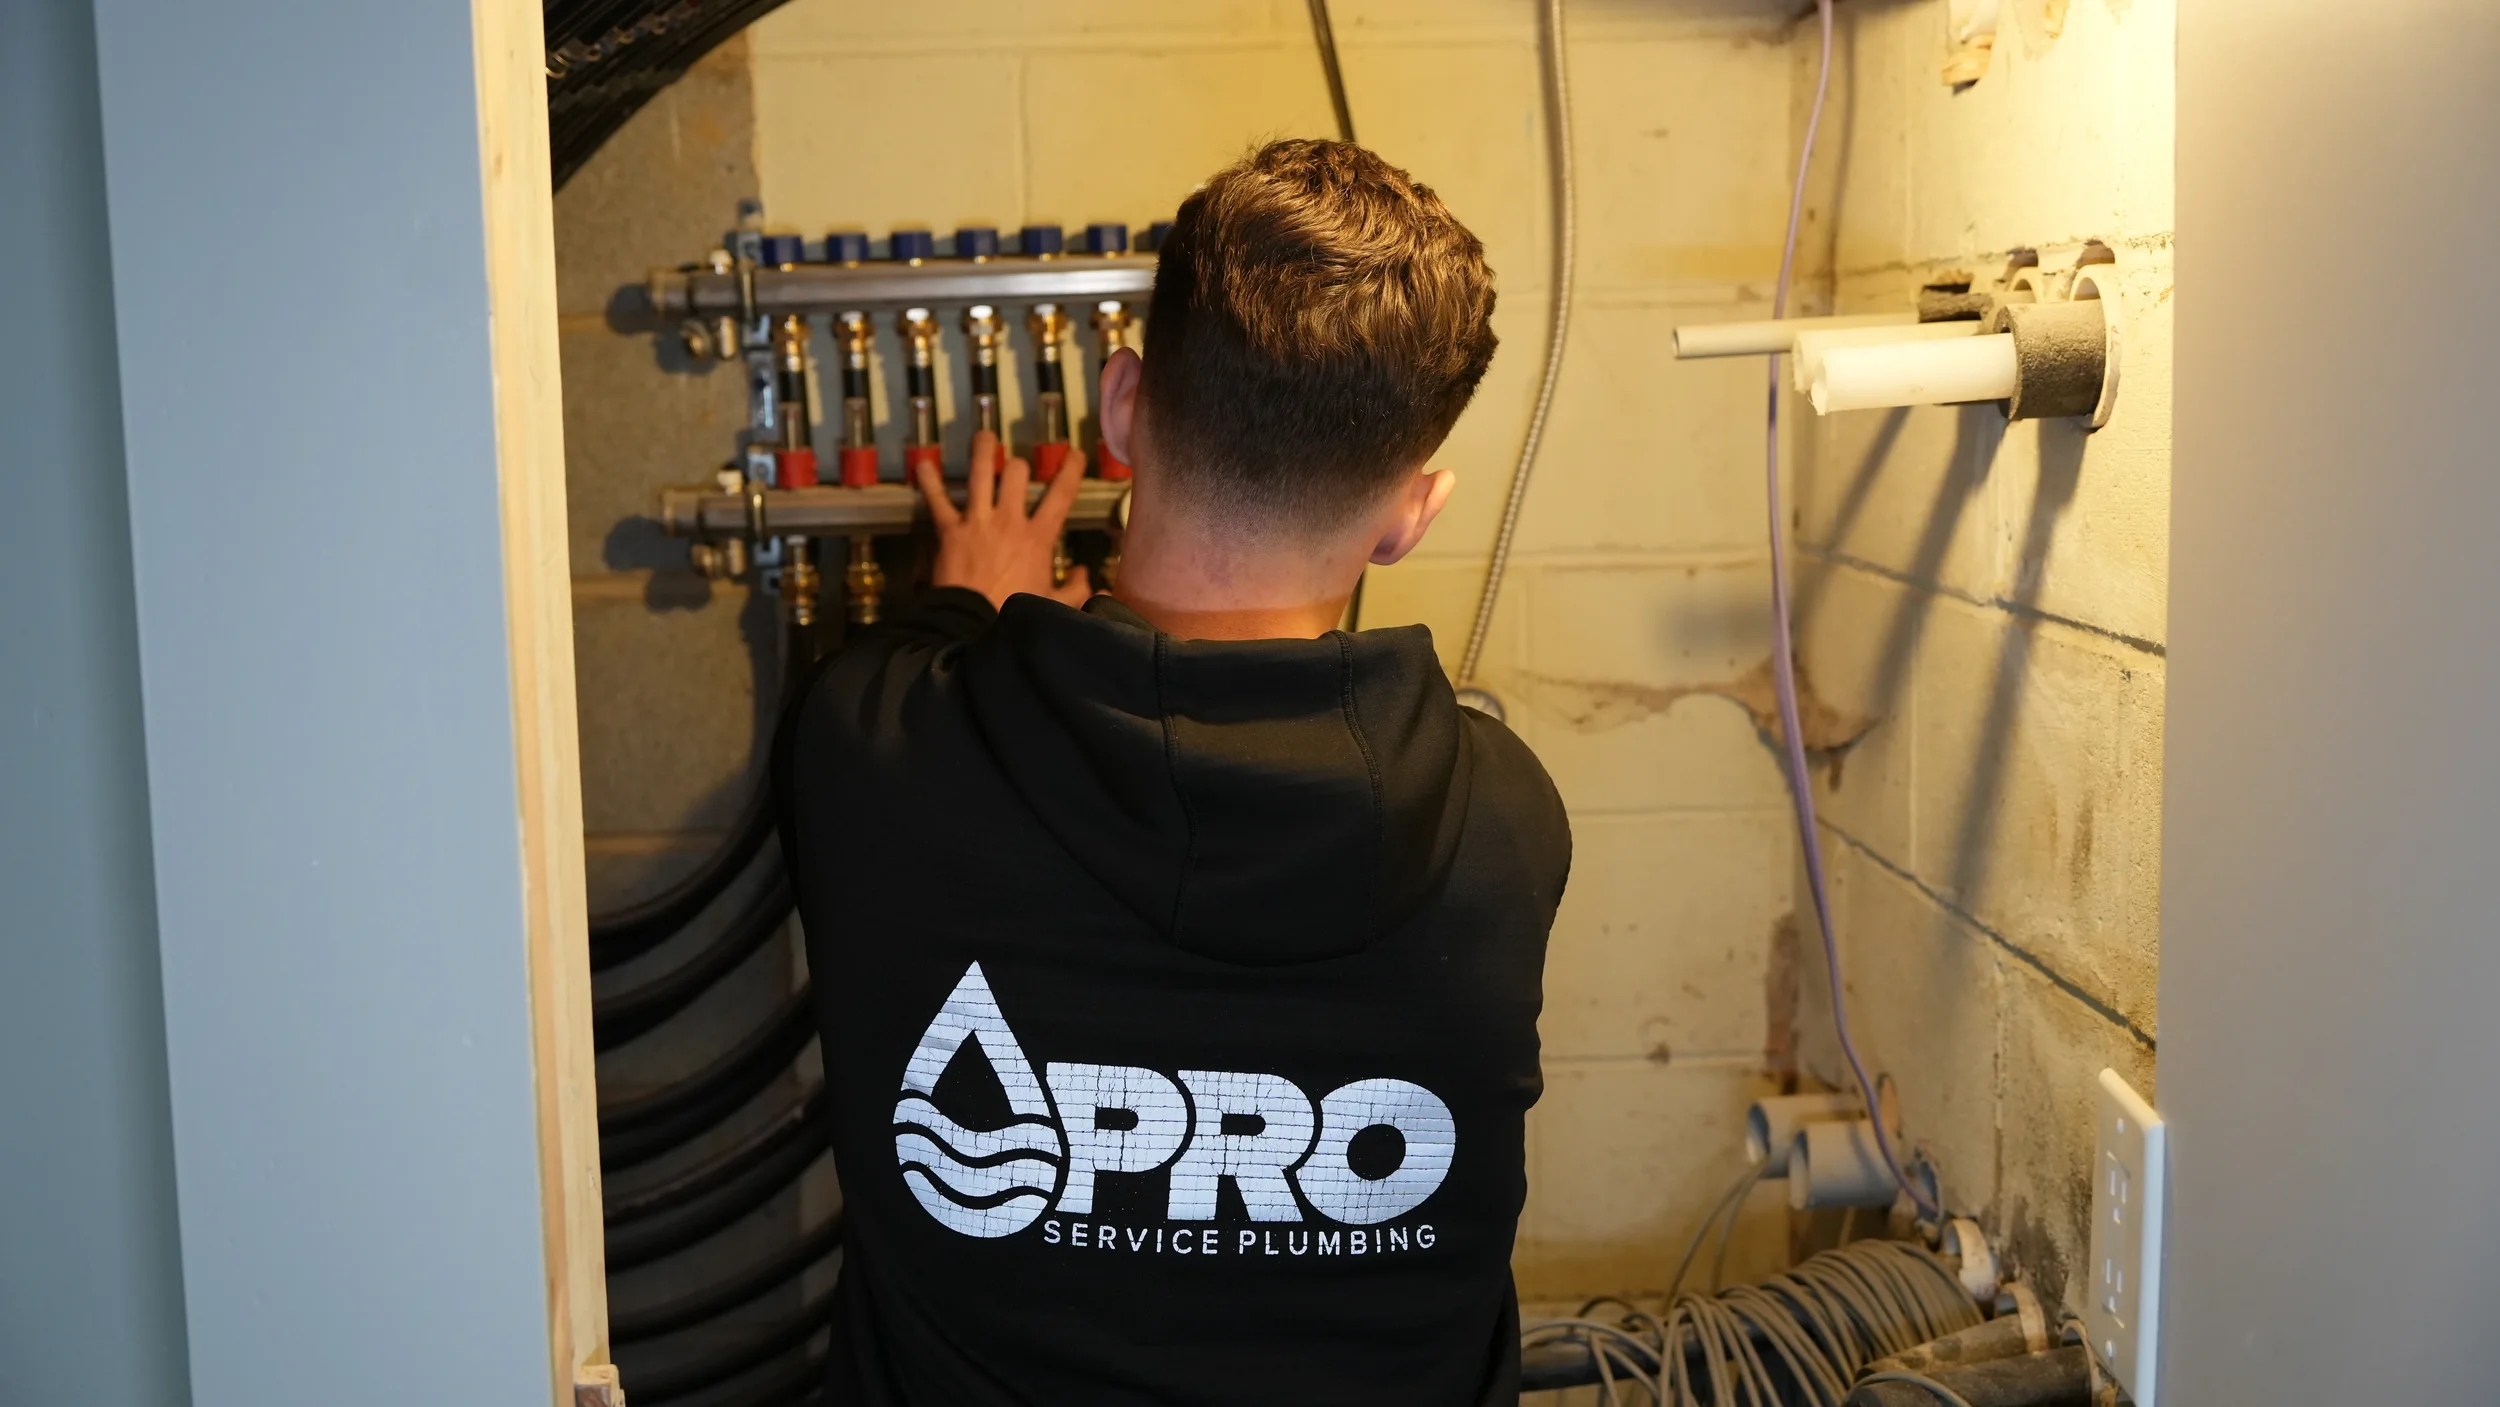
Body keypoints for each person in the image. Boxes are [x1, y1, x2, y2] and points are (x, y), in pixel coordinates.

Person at [776, 138, 1571, 1406]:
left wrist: (969, 606)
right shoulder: (1502, 826)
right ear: (1408, 515)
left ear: (1123, 408)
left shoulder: (873, 751)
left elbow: (935, 672)